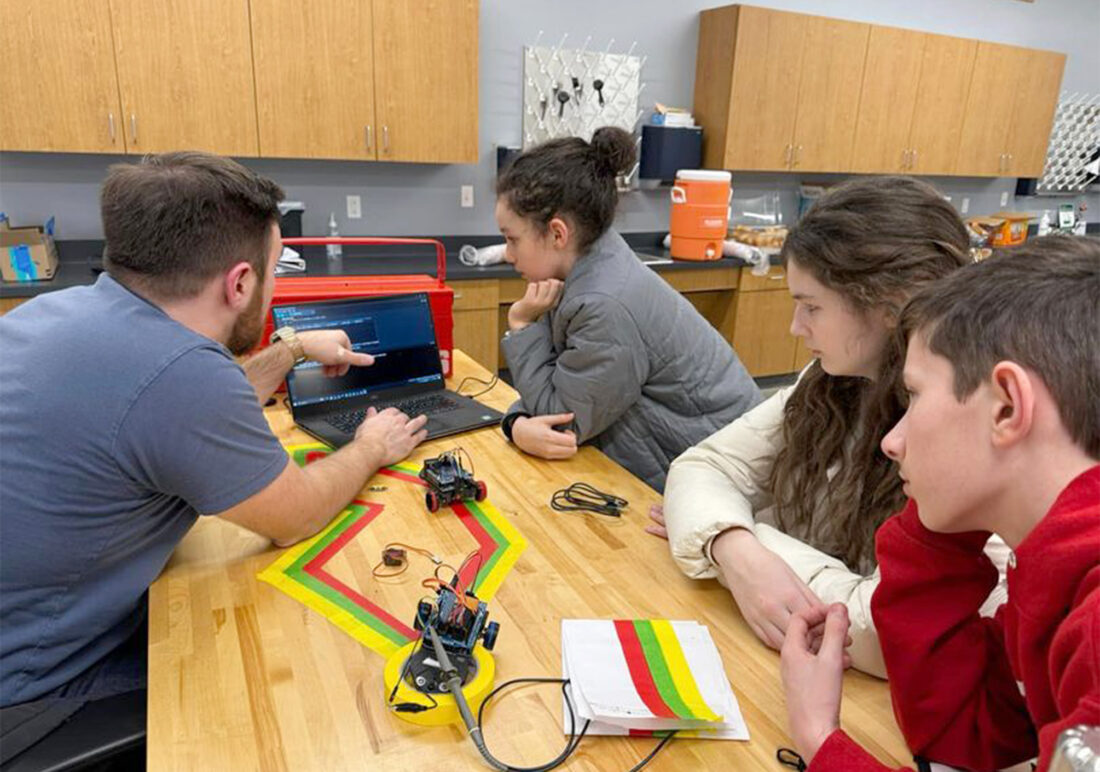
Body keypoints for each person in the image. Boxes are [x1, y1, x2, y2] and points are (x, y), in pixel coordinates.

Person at [0, 152, 427, 756]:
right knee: (305, 675)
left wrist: (293, 348)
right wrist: (370, 446)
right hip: (34, 687)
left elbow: (173, 407)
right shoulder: (180, 376)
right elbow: (298, 515)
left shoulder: (59, 311)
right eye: (275, 270)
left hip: (29, 624)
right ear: (241, 282)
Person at [655, 177, 1009, 676]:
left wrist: (742, 538)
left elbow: (880, 630)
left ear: (890, 305)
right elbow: (703, 467)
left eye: (812, 307)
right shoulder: (830, 381)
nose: (796, 327)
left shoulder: (968, 424)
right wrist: (735, 548)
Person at [780, 236, 1099, 772]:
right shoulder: (1058, 568)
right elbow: (967, 734)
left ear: (1006, 408)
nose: (892, 441)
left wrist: (820, 740)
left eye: (915, 395)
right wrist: (942, 522)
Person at [495, 126, 761, 491]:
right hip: (705, 453)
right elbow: (567, 386)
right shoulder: (591, 259)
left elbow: (561, 423)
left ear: (558, 233)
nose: (508, 254)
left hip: (719, 475)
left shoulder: (603, 304)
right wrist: (517, 423)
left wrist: (522, 325)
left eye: (512, 239)